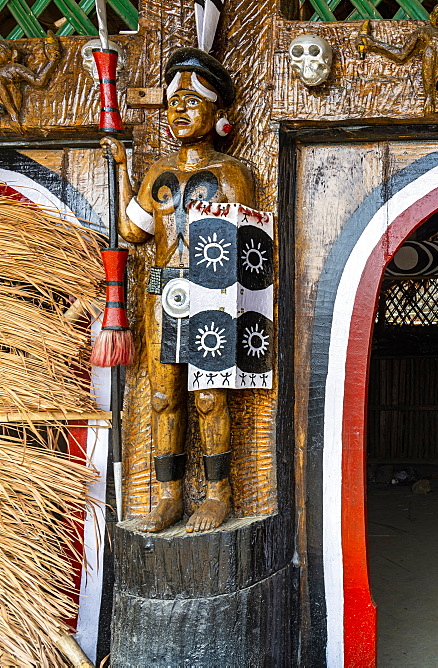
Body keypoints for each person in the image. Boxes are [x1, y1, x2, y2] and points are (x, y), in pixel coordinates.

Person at [103, 47, 256, 533]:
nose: (178, 111)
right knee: (164, 396)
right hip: (162, 293)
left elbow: (247, 244)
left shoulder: (233, 176)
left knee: (210, 396)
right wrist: (123, 168)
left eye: (191, 100)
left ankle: (218, 493)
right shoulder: (158, 174)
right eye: (172, 103)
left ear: (217, 113)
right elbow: (133, 232)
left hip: (213, 293)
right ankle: (168, 495)